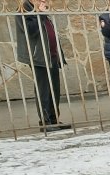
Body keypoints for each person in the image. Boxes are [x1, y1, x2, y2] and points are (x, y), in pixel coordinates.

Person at [14, 0, 69, 132]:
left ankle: (54, 119)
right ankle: (45, 122)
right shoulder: (24, 9)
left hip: (52, 55)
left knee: (54, 89)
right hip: (38, 56)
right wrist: (40, 13)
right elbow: (30, 31)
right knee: (43, 89)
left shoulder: (40, 9)